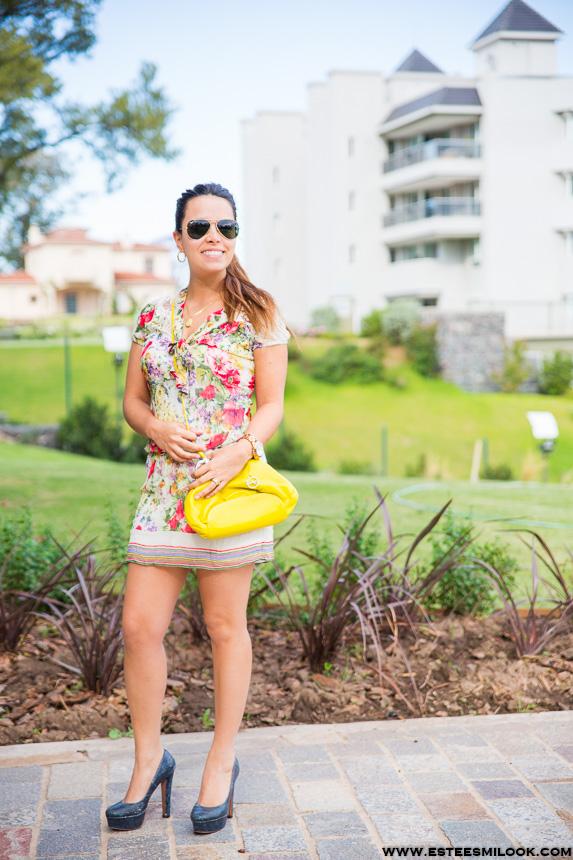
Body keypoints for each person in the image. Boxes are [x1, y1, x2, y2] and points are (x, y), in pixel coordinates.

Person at [105, 182, 292, 834]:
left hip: (225, 494)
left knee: (224, 627)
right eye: (201, 226)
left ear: (235, 237)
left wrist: (241, 450)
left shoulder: (259, 313)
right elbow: (132, 402)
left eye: (226, 227)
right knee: (138, 627)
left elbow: (272, 405)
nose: (215, 236)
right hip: (163, 494)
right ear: (179, 239)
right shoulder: (152, 316)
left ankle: (220, 761)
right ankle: (148, 760)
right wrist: (155, 427)